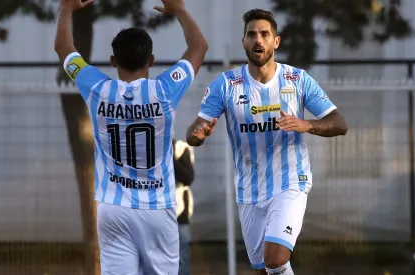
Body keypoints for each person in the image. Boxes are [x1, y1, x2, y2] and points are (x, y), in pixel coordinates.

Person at [185, 8, 348, 275]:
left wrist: (306, 124)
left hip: (290, 183)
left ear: (276, 41)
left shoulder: (297, 80)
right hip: (249, 191)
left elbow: (340, 123)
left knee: (275, 257)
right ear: (244, 42)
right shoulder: (226, 85)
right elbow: (195, 129)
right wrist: (198, 133)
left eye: (264, 34)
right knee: (265, 270)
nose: (257, 40)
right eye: (251, 34)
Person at [54, 0, 208, 274]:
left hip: (113, 209)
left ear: (114, 61)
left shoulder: (98, 89)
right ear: (151, 60)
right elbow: (199, 47)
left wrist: (66, 8)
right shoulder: (165, 89)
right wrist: (180, 11)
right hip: (158, 207)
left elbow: (64, 49)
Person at [173, 139, 195, 275]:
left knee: (181, 260)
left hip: (179, 212)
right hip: (154, 214)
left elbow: (188, 177)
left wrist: (169, 156)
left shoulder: (181, 148)